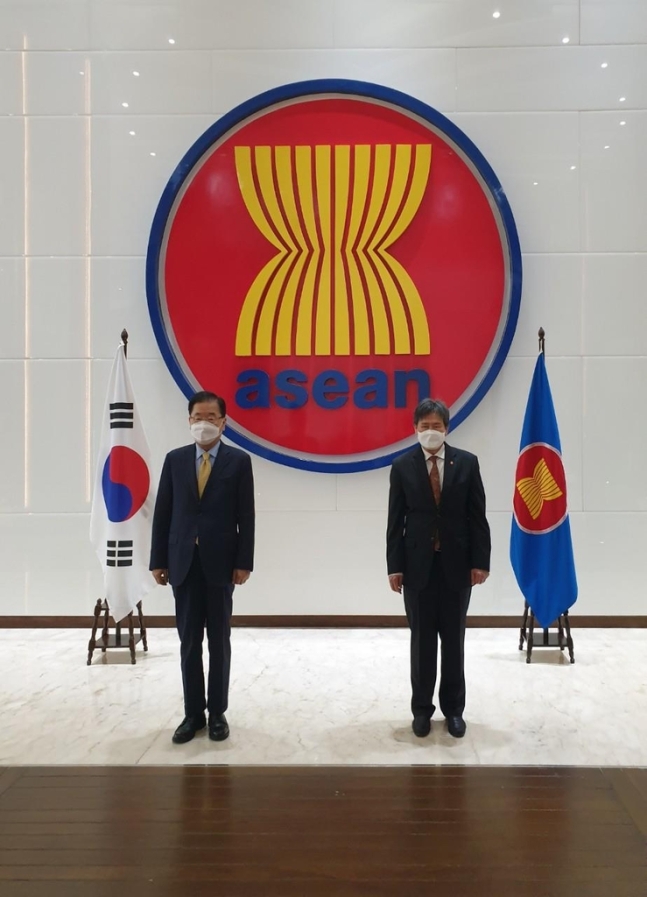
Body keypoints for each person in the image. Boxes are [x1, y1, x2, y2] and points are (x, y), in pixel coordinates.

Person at [150, 390, 255, 744]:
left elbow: (247, 517)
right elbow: (163, 513)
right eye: (198, 417)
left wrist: (244, 562)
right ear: (189, 420)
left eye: (212, 417)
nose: (204, 423)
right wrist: (158, 560)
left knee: (219, 641)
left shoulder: (239, 462)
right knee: (189, 641)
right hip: (182, 563)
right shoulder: (174, 460)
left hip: (221, 565)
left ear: (223, 423)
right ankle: (192, 713)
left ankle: (218, 713)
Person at [386, 398, 490, 739]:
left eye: (437, 426)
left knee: (454, 643)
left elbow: (478, 517)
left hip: (457, 568)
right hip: (417, 569)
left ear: (447, 428)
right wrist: (394, 567)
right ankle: (421, 711)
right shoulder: (402, 466)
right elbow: (395, 521)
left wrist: (480, 562)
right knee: (422, 644)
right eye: (424, 426)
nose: (431, 432)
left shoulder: (467, 463)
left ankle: (454, 711)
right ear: (414, 429)